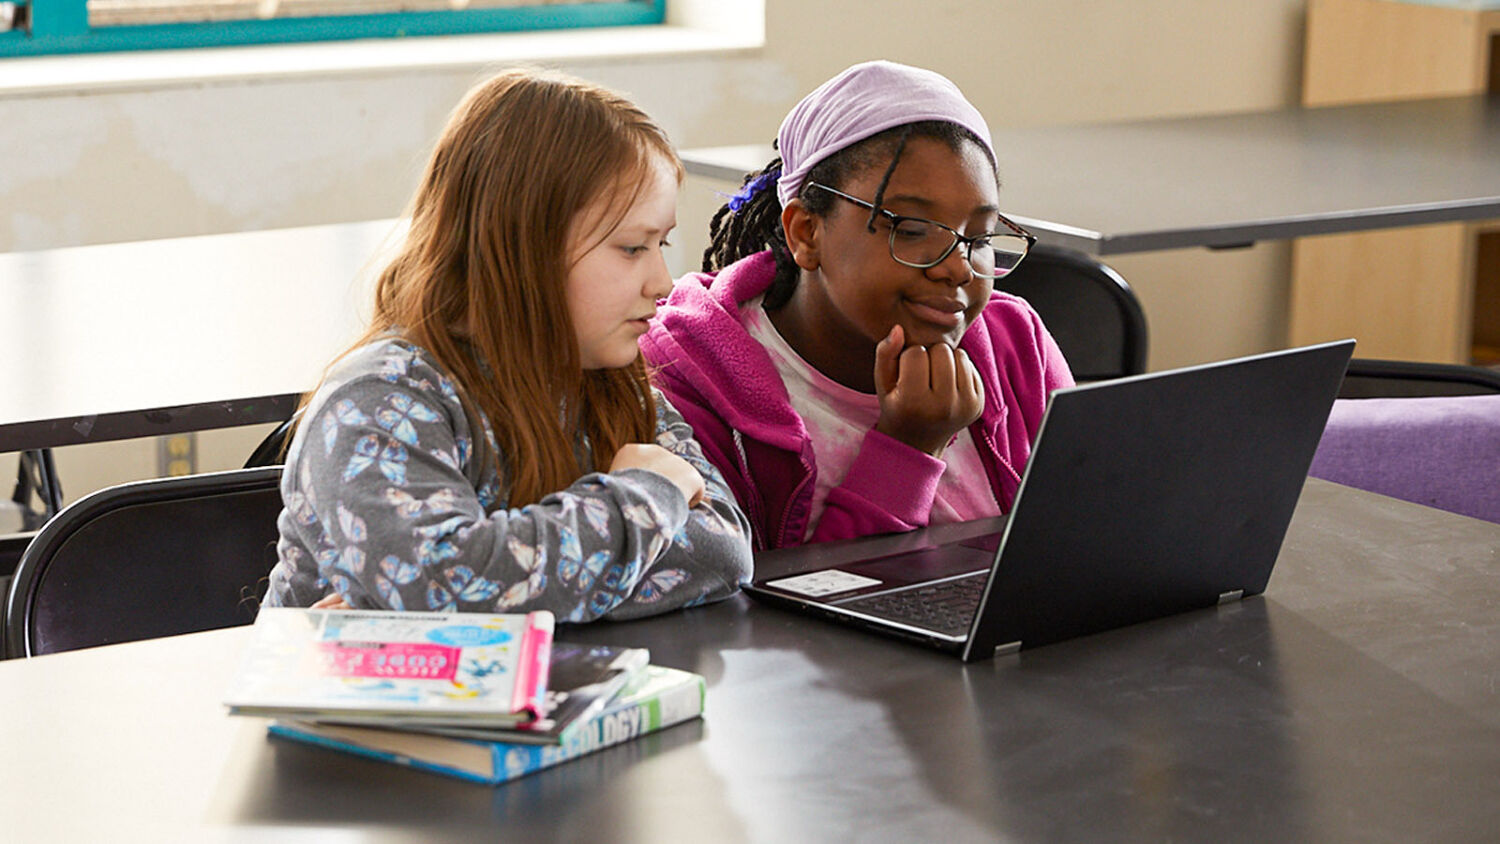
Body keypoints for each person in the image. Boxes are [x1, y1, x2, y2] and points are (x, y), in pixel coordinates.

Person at [263, 68, 753, 621]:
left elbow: (724, 549)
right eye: (633, 248)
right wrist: (646, 496)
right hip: (346, 707)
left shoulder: (616, 382)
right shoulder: (378, 402)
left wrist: (502, 587)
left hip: (534, 700)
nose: (662, 283)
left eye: (660, 244)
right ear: (524, 245)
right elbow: (452, 584)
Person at [640, 61, 1074, 550]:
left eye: (977, 238)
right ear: (807, 231)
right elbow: (766, 612)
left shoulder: (1013, 345)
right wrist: (910, 448)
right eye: (911, 231)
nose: (956, 268)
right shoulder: (693, 379)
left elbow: (1087, 530)